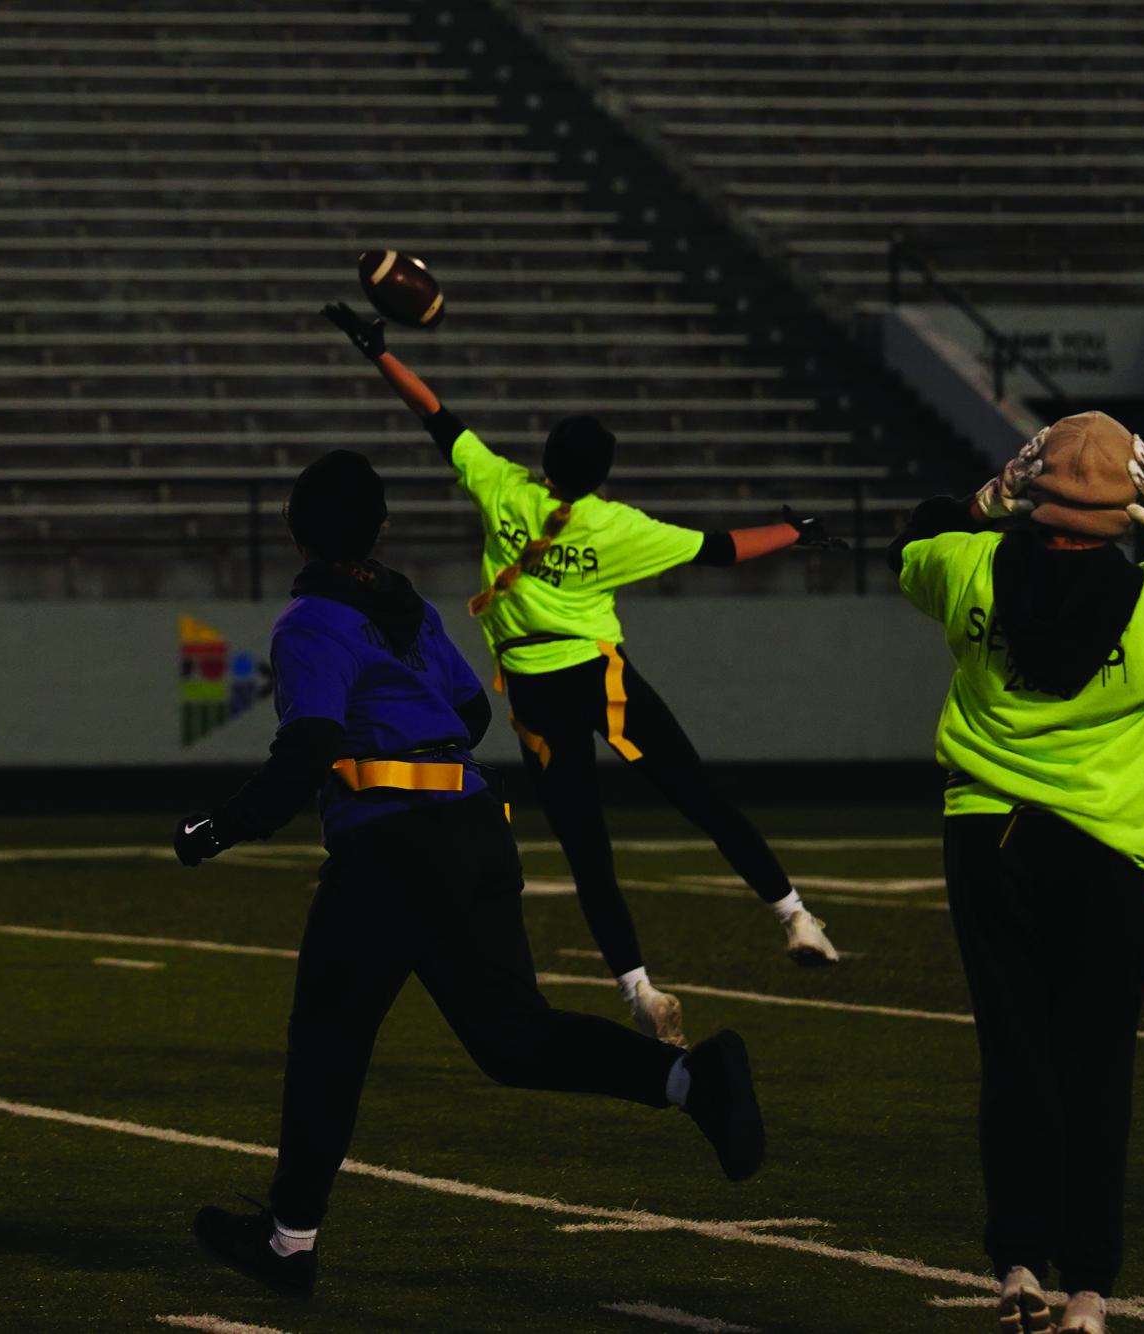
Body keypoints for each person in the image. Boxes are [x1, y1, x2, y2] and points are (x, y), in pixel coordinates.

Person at [174, 451, 765, 1298]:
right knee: (513, 1037)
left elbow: (305, 747)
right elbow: (470, 709)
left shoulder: (309, 622)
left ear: (298, 533)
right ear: (376, 528)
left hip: (391, 847)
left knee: (327, 1047)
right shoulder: (407, 608)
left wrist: (216, 829)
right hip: (475, 831)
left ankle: (289, 1243)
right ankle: (686, 1080)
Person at [322, 302, 841, 1045]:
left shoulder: (503, 489)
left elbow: (437, 417)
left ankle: (638, 994)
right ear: (599, 475)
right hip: (601, 676)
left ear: (544, 460)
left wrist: (378, 351)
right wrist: (797, 530)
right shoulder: (616, 526)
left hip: (534, 691)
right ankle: (794, 916)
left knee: (584, 850)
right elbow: (722, 549)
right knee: (697, 795)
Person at [889, 413, 1144, 1334]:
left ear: (1029, 488)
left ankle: (1016, 1261)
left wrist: (985, 498)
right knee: (1095, 1071)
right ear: (1130, 505)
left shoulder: (965, 570)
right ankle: (1088, 1287)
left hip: (986, 839)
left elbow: (915, 538)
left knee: (1013, 1057)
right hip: (1103, 853)